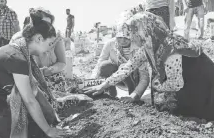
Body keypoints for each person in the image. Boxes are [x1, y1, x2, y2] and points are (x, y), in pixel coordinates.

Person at [83, 12, 214, 120]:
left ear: (145, 30)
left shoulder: (170, 48)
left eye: (134, 33)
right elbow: (127, 67)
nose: (132, 37)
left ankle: (196, 115)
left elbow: (176, 83)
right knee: (159, 93)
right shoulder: (149, 45)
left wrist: (156, 85)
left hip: (200, 81)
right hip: (184, 79)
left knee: (166, 97)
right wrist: (104, 85)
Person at [0, 10, 69, 138]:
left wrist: (52, 117)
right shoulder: (18, 58)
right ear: (39, 38)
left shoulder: (19, 50)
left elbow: (35, 91)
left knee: (39, 122)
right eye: (49, 44)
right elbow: (30, 100)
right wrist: (49, 131)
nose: (50, 48)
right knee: (36, 132)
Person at [90, 29, 150, 102]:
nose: (122, 41)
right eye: (119, 38)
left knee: (123, 66)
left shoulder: (141, 47)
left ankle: (132, 93)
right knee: (104, 66)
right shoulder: (110, 44)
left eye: (126, 38)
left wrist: (135, 95)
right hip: (117, 76)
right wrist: (92, 81)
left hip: (134, 77)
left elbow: (144, 76)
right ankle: (110, 96)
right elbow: (100, 63)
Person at [22, 7, 67, 92]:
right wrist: (37, 73)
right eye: (43, 24)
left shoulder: (55, 37)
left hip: (54, 77)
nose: (46, 29)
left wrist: (51, 70)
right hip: (32, 80)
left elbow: (63, 62)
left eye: (49, 25)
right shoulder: (24, 40)